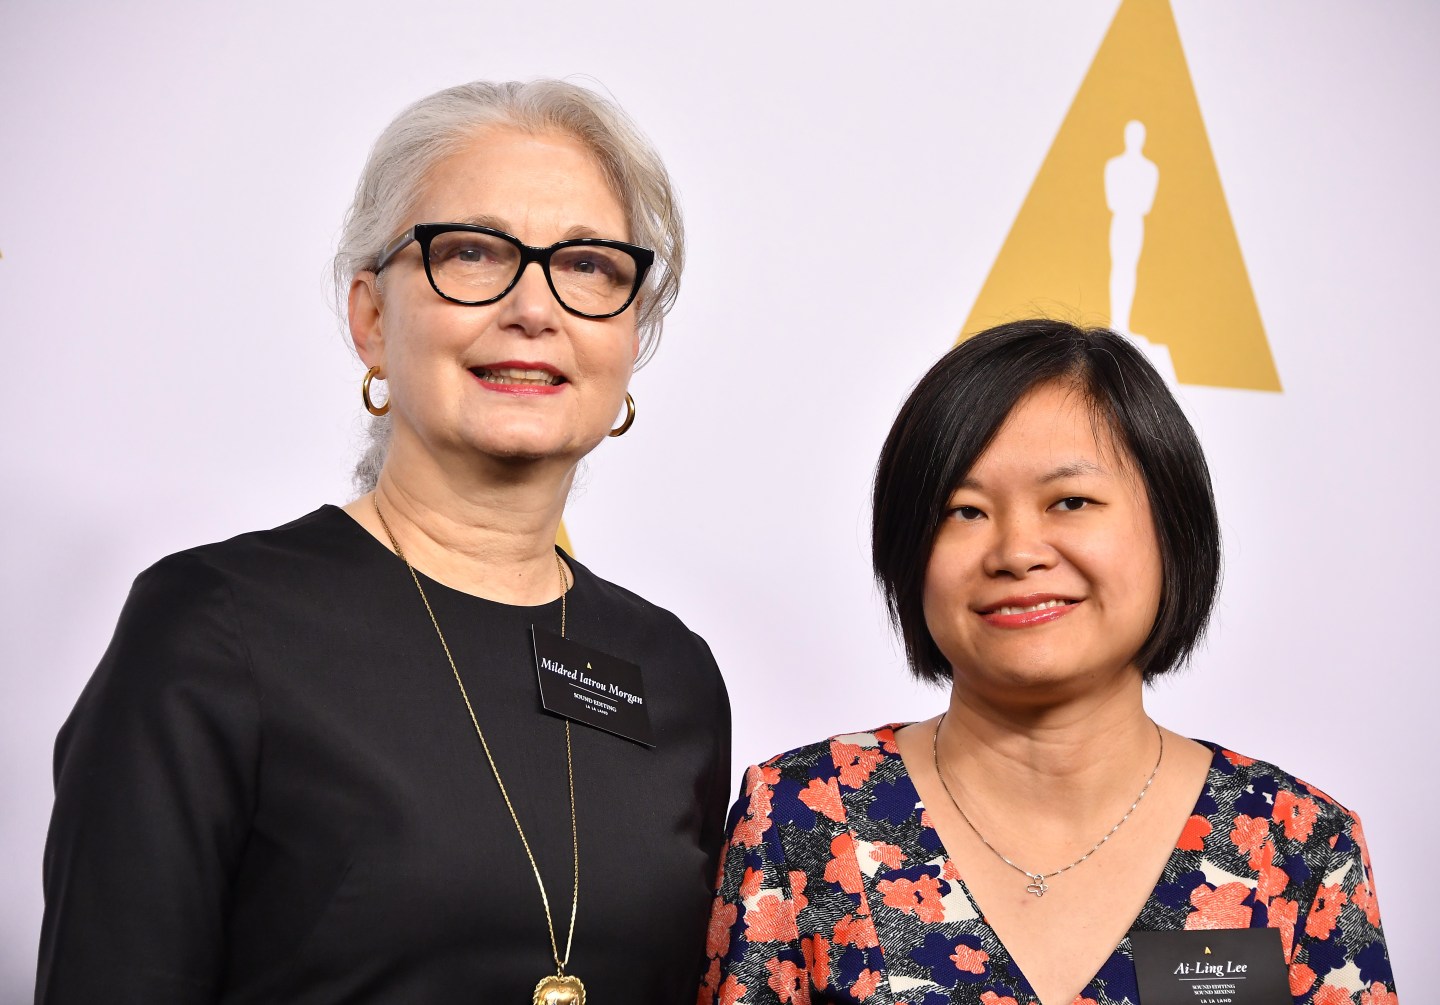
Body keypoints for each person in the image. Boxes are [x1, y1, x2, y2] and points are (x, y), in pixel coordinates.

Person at [38, 79, 730, 1003]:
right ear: (371, 318)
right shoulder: (214, 627)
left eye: (590, 265)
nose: (536, 307)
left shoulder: (671, 670)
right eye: (474, 253)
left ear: (630, 334)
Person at [699, 320, 1396, 1004]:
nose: (1017, 552)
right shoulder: (799, 818)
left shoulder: (1296, 842)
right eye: (964, 511)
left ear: (1172, 528)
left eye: (1071, 501)